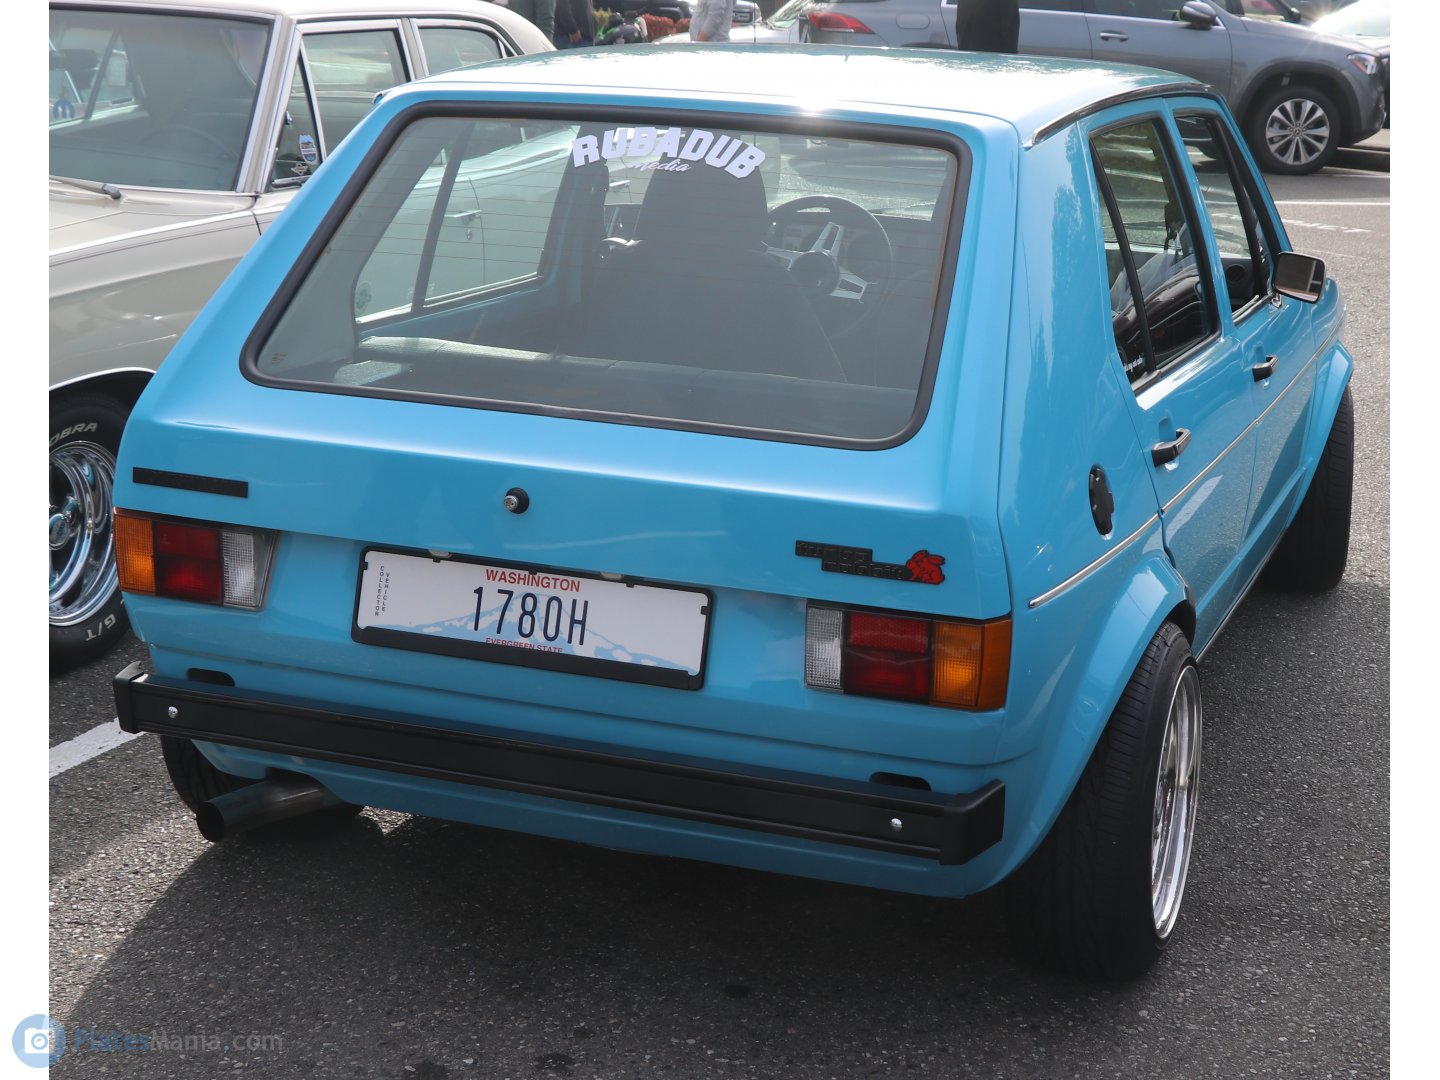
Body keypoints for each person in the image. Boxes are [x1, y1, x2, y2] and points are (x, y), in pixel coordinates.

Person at [954, 0, 1020, 54]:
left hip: (966, 53)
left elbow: (960, 24)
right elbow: (1010, 27)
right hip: (993, 56)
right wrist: (1010, 55)